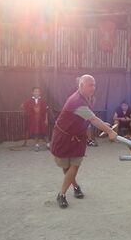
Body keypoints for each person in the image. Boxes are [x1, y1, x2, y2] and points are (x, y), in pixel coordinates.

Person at [50, 74, 117, 209]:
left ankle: (61, 194)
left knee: (74, 165)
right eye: (90, 85)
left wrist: (104, 125)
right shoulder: (76, 101)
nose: (93, 88)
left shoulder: (87, 98)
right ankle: (76, 186)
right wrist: (109, 131)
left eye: (94, 85)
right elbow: (92, 119)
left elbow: (90, 117)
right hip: (63, 137)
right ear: (81, 85)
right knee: (67, 167)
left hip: (78, 138)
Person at [21, 87, 49, 151]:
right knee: (36, 132)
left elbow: (46, 111)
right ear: (32, 92)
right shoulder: (29, 101)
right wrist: (29, 111)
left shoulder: (42, 101)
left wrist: (46, 119)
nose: (37, 93)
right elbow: (23, 106)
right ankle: (36, 145)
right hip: (33, 120)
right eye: (35, 91)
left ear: (40, 93)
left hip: (42, 119)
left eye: (38, 91)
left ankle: (48, 144)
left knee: (45, 132)